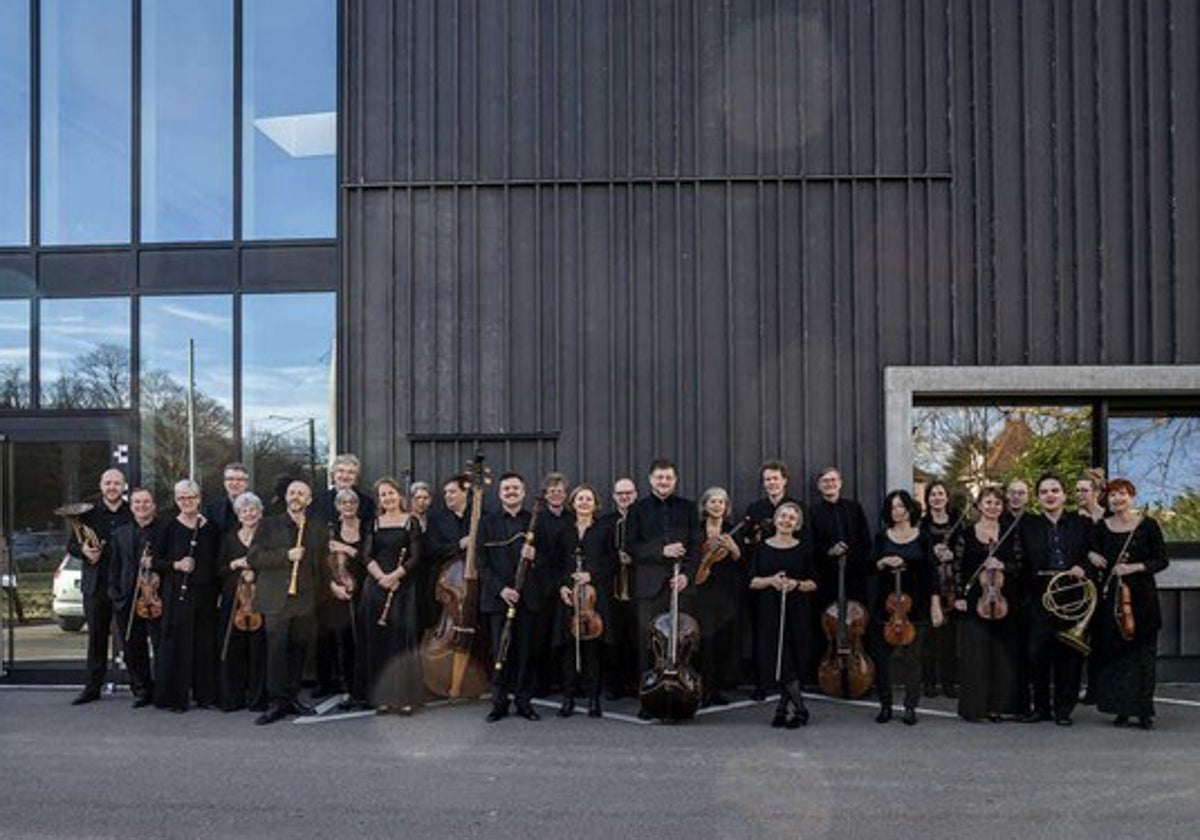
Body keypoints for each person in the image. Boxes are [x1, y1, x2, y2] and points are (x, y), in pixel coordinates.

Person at [1086, 478, 1169, 730]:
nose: (1117, 499)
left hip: (1142, 598)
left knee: (1142, 655)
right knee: (1116, 654)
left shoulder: (1148, 525)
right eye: (1112, 496)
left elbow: (1161, 560)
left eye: (1122, 494)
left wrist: (1134, 567)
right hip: (1112, 597)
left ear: (1131, 496)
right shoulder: (1101, 527)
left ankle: (1143, 711)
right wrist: (1091, 555)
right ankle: (1121, 708)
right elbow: (1090, 551)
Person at [625, 459, 699, 719]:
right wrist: (661, 551)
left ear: (675, 480)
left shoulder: (688, 508)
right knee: (650, 644)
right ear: (650, 479)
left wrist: (687, 576)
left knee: (682, 643)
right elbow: (630, 547)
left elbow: (696, 546)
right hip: (649, 587)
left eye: (668, 477)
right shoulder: (637, 509)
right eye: (659, 478)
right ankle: (648, 701)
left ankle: (684, 695)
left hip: (680, 586)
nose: (664, 482)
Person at [1018, 473, 1092, 726]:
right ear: (1038, 498)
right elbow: (1021, 562)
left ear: (1064, 495)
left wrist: (1083, 567)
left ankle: (1063, 710)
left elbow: (1092, 555)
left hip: (1072, 596)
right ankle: (1040, 708)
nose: (1050, 495)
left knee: (1069, 655)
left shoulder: (1080, 523)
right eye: (1044, 492)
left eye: (1055, 490)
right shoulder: (1028, 525)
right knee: (1036, 653)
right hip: (1040, 597)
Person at [249, 479, 322, 725]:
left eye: (301, 493)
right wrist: (286, 555)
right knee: (277, 652)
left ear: (309, 500)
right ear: (286, 497)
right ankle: (276, 702)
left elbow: (320, 565)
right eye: (292, 492)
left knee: (299, 652)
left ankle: (291, 698)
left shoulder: (317, 527)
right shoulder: (269, 524)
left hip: (304, 599)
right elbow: (254, 557)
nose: (295, 497)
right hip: (276, 599)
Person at [952, 486, 1025, 722]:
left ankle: (999, 707)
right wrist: (959, 596)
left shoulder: (1009, 533)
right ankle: (975, 709)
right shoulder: (966, 533)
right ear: (979, 505)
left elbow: (1020, 564)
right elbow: (957, 567)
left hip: (1004, 599)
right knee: (976, 655)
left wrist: (1004, 566)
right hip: (975, 600)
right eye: (988, 502)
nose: (992, 507)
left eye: (997, 503)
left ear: (1002, 507)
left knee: (1001, 655)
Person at [872, 490, 941, 725]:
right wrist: (882, 562)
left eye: (901, 506)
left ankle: (910, 707)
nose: (897, 511)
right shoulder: (882, 537)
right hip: (886, 606)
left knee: (913, 660)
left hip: (916, 606)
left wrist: (935, 604)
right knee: (883, 659)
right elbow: (870, 567)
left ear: (909, 508)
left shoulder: (923, 537)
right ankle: (885, 706)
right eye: (892, 508)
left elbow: (932, 572)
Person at [152, 479, 221, 712]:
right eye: (181, 498)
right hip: (177, 593)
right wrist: (176, 565)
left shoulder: (209, 528)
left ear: (199, 499)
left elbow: (215, 561)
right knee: (178, 645)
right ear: (176, 500)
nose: (186, 502)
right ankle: (176, 698)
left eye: (191, 497)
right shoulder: (167, 526)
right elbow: (153, 561)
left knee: (204, 644)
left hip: (205, 593)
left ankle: (205, 696)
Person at [68, 468, 133, 705]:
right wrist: (84, 552)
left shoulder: (132, 511)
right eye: (108, 483)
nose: (112, 487)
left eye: (117, 483)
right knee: (96, 638)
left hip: (124, 584)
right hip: (96, 585)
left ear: (123, 486)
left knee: (129, 637)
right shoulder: (87, 513)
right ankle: (92, 688)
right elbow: (71, 546)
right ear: (101, 485)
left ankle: (140, 687)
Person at [358, 478, 423, 714]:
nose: (388, 498)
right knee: (378, 642)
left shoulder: (411, 521)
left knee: (400, 641)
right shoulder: (373, 523)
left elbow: (415, 557)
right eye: (383, 495)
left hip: (402, 586)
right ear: (379, 499)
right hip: (376, 586)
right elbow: (366, 555)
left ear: (399, 495)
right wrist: (381, 579)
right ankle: (382, 697)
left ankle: (404, 698)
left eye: (391, 493)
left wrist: (395, 576)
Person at [748, 502, 816, 728]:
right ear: (775, 519)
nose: (786, 520)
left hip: (797, 611)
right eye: (783, 516)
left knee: (790, 660)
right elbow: (752, 581)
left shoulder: (805, 548)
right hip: (769, 611)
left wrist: (795, 584)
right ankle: (797, 708)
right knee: (782, 660)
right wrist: (772, 581)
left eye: (792, 518)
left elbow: (814, 583)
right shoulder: (761, 548)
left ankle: (789, 709)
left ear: (797, 525)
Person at [480, 472, 540, 722]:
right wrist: (501, 589)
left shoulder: (536, 521)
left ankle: (524, 702)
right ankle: (499, 702)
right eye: (507, 488)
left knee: (526, 652)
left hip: (527, 599)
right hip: (498, 599)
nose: (511, 492)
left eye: (516, 488)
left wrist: (535, 556)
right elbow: (481, 563)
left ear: (524, 492)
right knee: (500, 653)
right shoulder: (487, 523)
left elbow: (552, 561)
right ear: (500, 493)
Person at [807, 466, 874, 686]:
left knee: (857, 624)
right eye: (825, 481)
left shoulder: (854, 508)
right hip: (827, 578)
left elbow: (865, 542)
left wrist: (853, 555)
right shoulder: (813, 512)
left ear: (840, 483)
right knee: (828, 626)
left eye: (833, 480)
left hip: (853, 577)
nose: (830, 484)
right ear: (819, 486)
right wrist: (829, 552)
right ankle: (829, 673)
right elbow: (811, 546)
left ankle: (861, 673)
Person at [742, 461, 804, 699]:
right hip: (764, 573)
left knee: (791, 633)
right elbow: (748, 544)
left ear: (784, 480)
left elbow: (805, 542)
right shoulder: (755, 508)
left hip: (792, 574)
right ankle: (763, 682)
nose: (771, 483)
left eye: (775, 478)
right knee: (763, 634)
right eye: (767, 479)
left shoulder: (798, 507)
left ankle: (792, 681)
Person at [554, 484, 615, 718]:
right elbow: (555, 563)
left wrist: (592, 575)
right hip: (569, 598)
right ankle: (568, 699)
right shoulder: (564, 531)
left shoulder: (604, 529)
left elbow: (612, 562)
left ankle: (593, 699)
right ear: (573, 503)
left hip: (593, 599)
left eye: (589, 499)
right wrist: (561, 585)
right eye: (580, 499)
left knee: (592, 650)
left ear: (595, 504)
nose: (584, 502)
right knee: (569, 650)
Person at [108, 488, 161, 708]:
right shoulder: (121, 533)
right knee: (132, 647)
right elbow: (113, 567)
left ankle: (162, 689)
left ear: (154, 505)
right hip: (128, 598)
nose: (142, 506)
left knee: (161, 645)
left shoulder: (163, 530)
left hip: (156, 598)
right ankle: (141, 690)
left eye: (146, 502)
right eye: (137, 502)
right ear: (131, 507)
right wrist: (117, 596)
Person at [217, 492, 268, 713]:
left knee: (258, 649)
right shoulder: (229, 538)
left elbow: (277, 564)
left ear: (260, 513)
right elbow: (218, 569)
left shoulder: (268, 537)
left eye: (253, 509)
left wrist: (255, 570)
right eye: (244, 510)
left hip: (261, 598)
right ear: (238, 515)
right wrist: (234, 565)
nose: (249, 514)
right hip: (233, 600)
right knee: (233, 648)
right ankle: (232, 697)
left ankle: (258, 699)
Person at [314, 489, 366, 700]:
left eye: (352, 501)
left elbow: (369, 557)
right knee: (339, 641)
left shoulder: (367, 527)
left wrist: (347, 548)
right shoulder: (330, 530)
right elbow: (320, 563)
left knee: (358, 640)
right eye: (343, 502)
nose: (348, 505)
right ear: (337, 506)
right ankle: (344, 687)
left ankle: (360, 685)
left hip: (362, 588)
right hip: (335, 591)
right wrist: (332, 586)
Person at [695, 486, 743, 706]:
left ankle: (717, 689)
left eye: (721, 502)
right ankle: (702, 687)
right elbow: (690, 561)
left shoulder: (733, 530)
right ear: (705, 505)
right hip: (702, 590)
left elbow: (743, 564)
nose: (717, 505)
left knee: (723, 639)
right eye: (712, 501)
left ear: (726, 507)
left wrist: (734, 549)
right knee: (705, 640)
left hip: (726, 590)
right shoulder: (696, 530)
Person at [531, 472, 573, 696]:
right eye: (552, 491)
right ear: (545, 495)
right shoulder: (537, 519)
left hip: (566, 583)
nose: (556, 494)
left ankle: (565, 682)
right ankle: (542, 683)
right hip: (543, 584)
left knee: (565, 633)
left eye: (560, 491)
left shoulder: (571, 518)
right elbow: (536, 555)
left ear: (565, 495)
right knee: (542, 634)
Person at [599, 476, 639, 700]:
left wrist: (634, 559)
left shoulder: (642, 519)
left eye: (629, 493)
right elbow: (599, 554)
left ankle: (634, 682)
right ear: (614, 497)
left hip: (636, 587)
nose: (625, 497)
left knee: (635, 638)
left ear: (635, 495)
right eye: (620, 493)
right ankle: (614, 685)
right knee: (612, 637)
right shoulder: (606, 522)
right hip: (611, 588)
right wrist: (616, 559)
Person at [920, 481, 960, 698]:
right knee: (929, 637)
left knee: (949, 637)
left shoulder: (957, 523)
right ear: (927, 499)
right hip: (929, 582)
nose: (937, 497)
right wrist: (932, 552)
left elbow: (964, 549)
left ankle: (949, 682)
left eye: (941, 493)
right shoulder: (922, 525)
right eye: (933, 494)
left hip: (951, 584)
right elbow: (918, 551)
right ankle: (929, 681)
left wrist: (952, 554)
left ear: (947, 497)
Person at [310, 453, 377, 525]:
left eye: (351, 472)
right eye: (341, 471)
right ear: (333, 474)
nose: (345, 476)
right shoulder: (318, 500)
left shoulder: (366, 503)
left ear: (356, 477)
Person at [204, 462, 250, 535]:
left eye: (239, 479)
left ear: (247, 483)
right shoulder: (212, 509)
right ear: (224, 482)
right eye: (230, 479)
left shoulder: (260, 508)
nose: (235, 483)